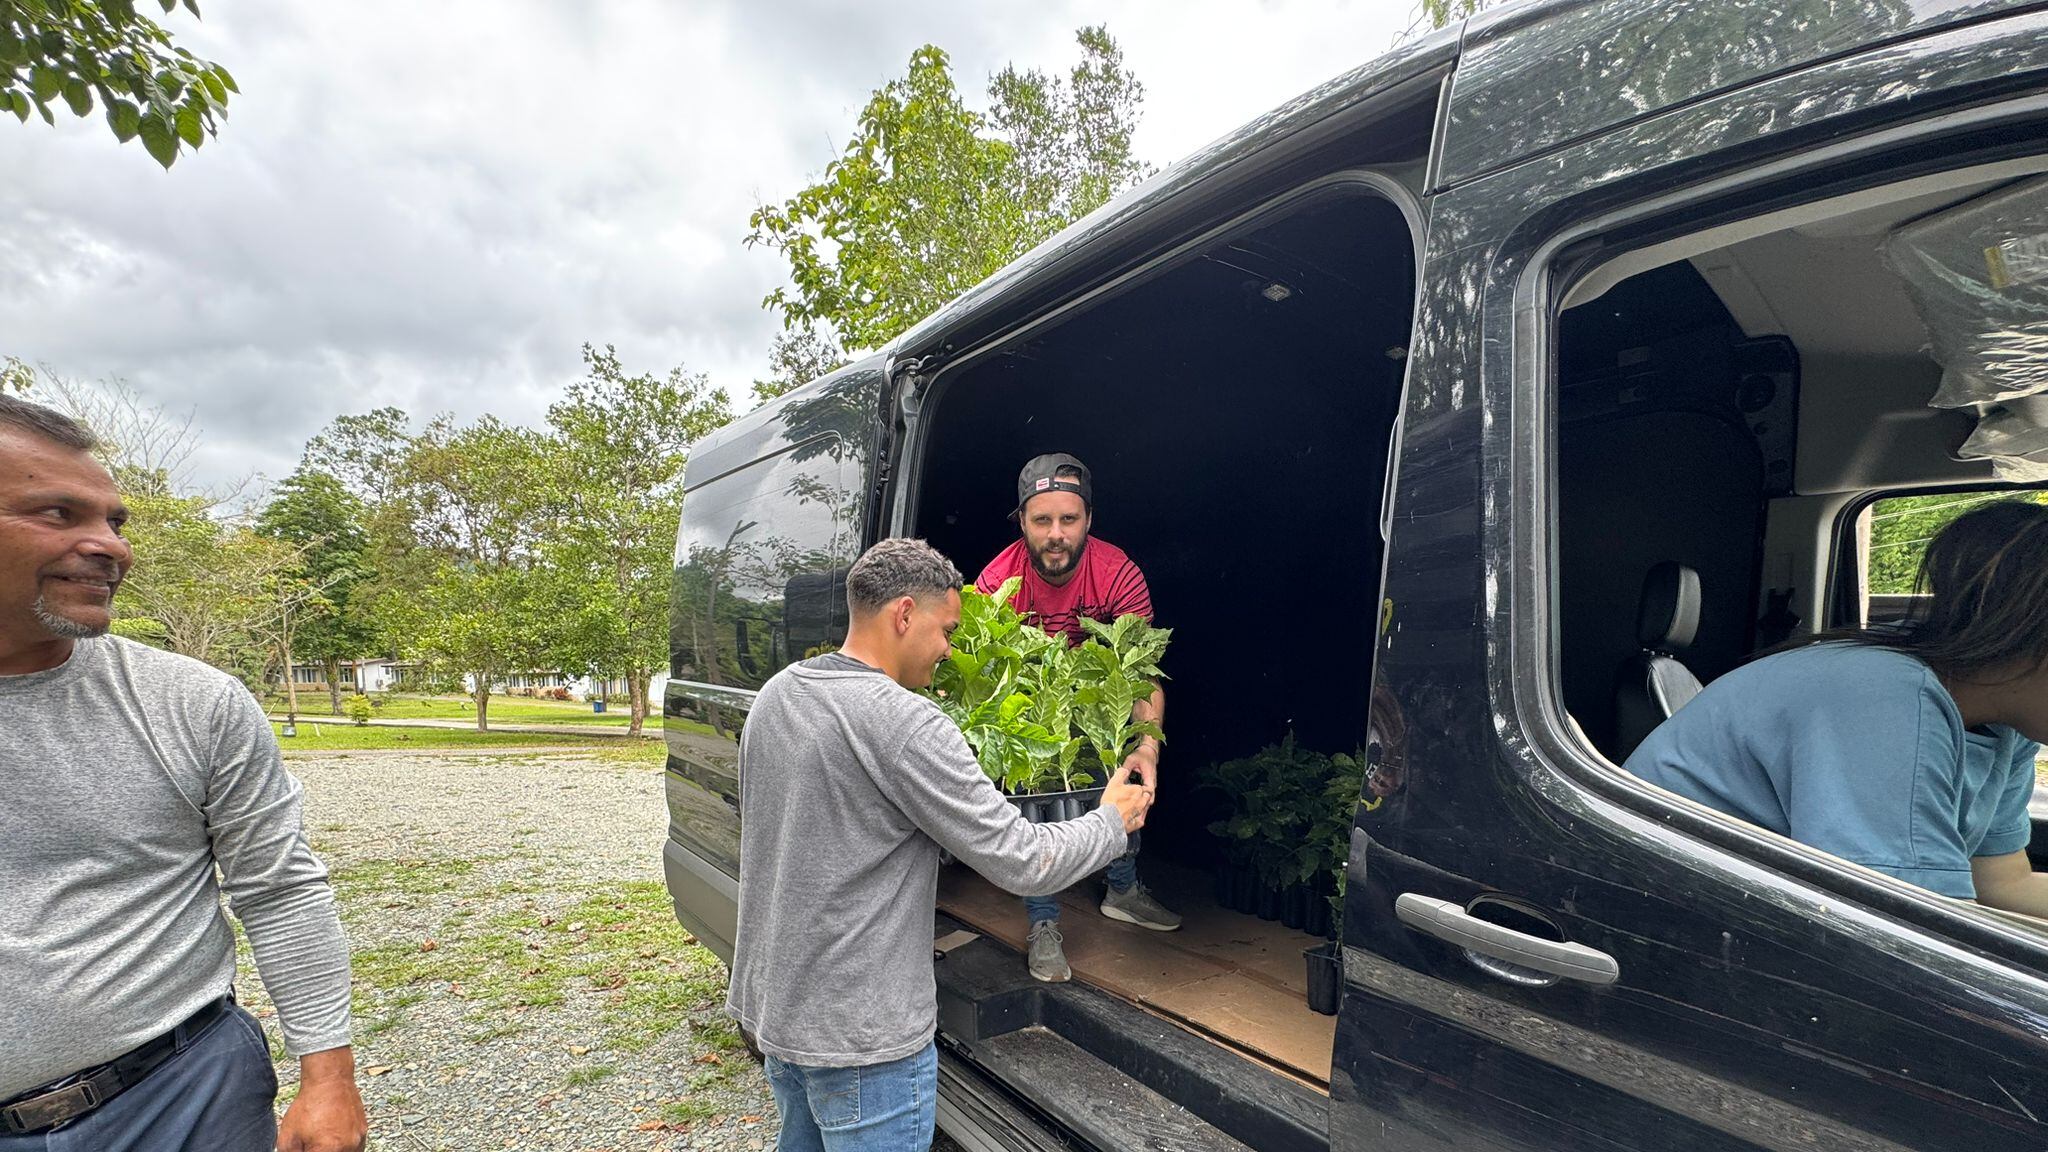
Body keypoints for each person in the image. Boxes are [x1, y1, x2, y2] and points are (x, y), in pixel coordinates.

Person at [0, 395, 366, 1152]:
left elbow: (280, 888)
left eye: (114, 521)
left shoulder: (189, 702)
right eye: (58, 513)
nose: (110, 547)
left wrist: (328, 1076)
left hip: (182, 1093)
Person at [726, 537, 1153, 1152]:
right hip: (863, 1042)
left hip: (781, 1010)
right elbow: (1024, 861)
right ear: (904, 614)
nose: (949, 651)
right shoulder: (907, 724)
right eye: (946, 630)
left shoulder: (778, 695)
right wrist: (1111, 821)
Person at [1626, 501, 2048, 913]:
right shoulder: (1883, 696)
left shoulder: (2005, 725)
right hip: (1671, 914)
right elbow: (1904, 924)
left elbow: (2002, 883)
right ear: (2027, 637)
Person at [975, 453, 1178, 984]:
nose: (1056, 534)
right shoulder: (997, 581)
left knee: (1124, 769)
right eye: (1042, 521)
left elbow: (1141, 670)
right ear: (1021, 521)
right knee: (1036, 802)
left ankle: (1124, 889)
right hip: (1033, 709)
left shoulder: (1118, 572)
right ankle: (1043, 921)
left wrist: (1147, 745)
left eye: (1069, 519)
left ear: (1089, 518)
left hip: (1096, 704)